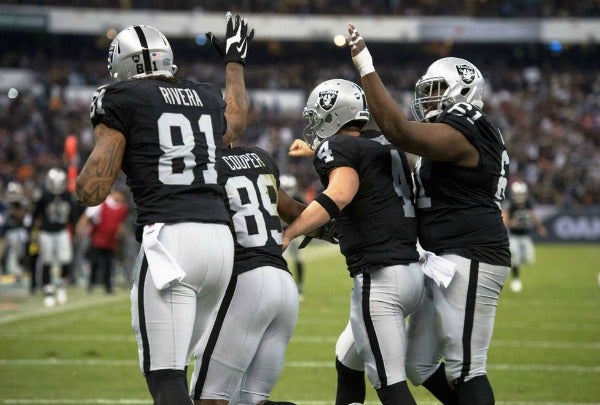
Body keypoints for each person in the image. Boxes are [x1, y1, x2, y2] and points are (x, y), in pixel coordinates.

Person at [75, 13, 254, 405]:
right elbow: (236, 123)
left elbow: (93, 190)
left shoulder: (120, 99)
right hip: (221, 244)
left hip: (171, 243)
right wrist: (235, 63)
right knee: (181, 368)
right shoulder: (205, 95)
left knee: (165, 376)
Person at [347, 24, 511, 405]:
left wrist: (365, 64)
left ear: (464, 92)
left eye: (436, 90)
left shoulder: (472, 127)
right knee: (419, 365)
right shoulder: (455, 133)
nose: (427, 99)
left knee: (466, 367)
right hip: (444, 259)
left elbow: (399, 131)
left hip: (472, 255)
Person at [283, 78, 423, 405]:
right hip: (410, 272)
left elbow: (340, 193)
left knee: (390, 385)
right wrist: (316, 150)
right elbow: (364, 167)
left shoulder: (339, 147)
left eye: (318, 115)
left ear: (334, 114)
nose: (314, 123)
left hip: (380, 279)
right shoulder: (385, 143)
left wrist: (292, 230)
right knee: (347, 360)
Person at [190, 145, 310, 405]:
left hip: (247, 283)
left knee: (209, 398)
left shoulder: (206, 165)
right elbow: (295, 211)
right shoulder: (260, 157)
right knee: (248, 401)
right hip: (283, 284)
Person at [32, 167, 79, 307]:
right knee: (46, 261)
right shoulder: (44, 195)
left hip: (62, 231)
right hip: (46, 231)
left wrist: (75, 230)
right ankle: (48, 290)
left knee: (65, 260)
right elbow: (36, 214)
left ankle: (61, 286)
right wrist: (33, 231)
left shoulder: (67, 195)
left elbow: (72, 215)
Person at [75, 188, 129, 294]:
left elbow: (120, 224)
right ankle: (91, 284)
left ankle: (108, 286)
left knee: (108, 264)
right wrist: (79, 229)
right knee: (94, 262)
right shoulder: (101, 204)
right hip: (98, 238)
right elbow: (86, 216)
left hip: (111, 240)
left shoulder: (123, 208)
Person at [502, 180, 547, 293]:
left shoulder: (528, 202)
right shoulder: (510, 204)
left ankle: (517, 266)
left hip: (526, 236)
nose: (520, 197)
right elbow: (505, 218)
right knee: (515, 257)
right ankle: (516, 280)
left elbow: (533, 215)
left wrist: (540, 227)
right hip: (514, 236)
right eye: (518, 194)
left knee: (528, 259)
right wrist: (511, 223)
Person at [278, 173, 307, 299]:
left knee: (298, 259)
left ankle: (299, 286)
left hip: (296, 232)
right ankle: (284, 287)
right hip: (280, 232)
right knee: (282, 260)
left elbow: (307, 213)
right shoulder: (275, 198)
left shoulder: (298, 198)